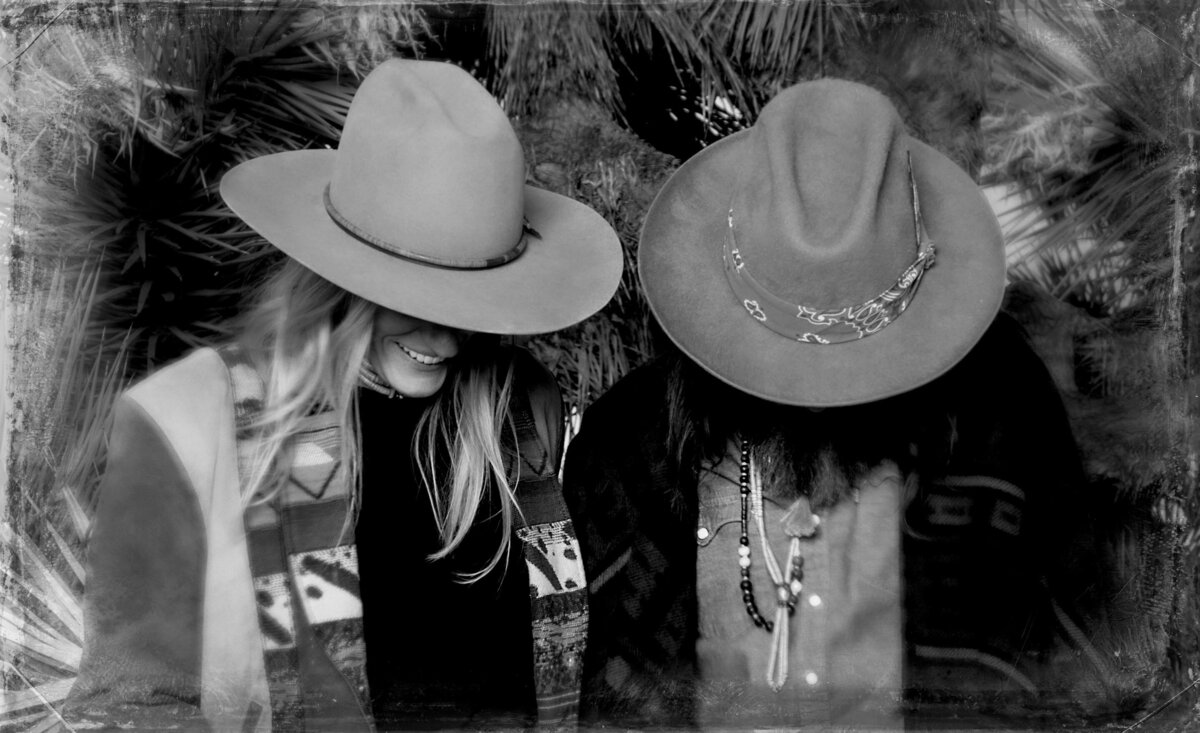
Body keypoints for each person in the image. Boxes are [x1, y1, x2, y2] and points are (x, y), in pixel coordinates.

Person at [64, 59, 621, 731]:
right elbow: (129, 707)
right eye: (413, 296)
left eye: (470, 299)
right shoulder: (184, 423)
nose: (445, 337)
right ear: (341, 275)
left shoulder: (522, 407)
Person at [563, 79, 1112, 729]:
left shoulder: (1004, 416)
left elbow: (1084, 664)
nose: (819, 386)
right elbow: (603, 685)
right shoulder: (633, 443)